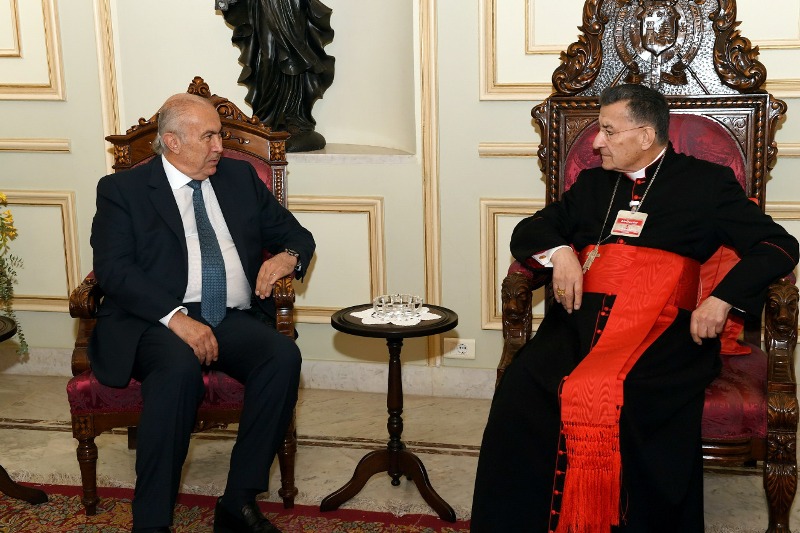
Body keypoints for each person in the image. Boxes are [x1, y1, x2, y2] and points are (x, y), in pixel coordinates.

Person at [470, 84, 799, 532]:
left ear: (645, 136)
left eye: (608, 131)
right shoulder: (593, 183)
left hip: (666, 329)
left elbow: (778, 246)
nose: (596, 142)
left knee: (637, 396)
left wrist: (723, 299)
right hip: (579, 324)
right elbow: (531, 230)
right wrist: (562, 252)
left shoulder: (706, 183)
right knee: (525, 386)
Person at [89, 92, 315, 533]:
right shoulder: (122, 191)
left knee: (281, 356)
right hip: (156, 319)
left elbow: (296, 235)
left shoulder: (237, 178)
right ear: (173, 142)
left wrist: (287, 257)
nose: (219, 146)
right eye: (209, 137)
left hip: (228, 313)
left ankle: (238, 502)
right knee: (177, 371)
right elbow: (114, 270)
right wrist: (176, 319)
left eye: (220, 135)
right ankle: (151, 522)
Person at [218, 0, 335, 152]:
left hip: (291, 5)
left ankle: (293, 116)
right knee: (268, 58)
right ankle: (266, 117)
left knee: (294, 57)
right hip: (263, 4)